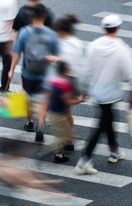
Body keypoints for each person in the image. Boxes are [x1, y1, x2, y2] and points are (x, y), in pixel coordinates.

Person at [75, 14, 132, 175]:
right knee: (103, 124)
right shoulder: (122, 49)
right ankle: (84, 159)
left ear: (104, 28)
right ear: (118, 28)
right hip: (112, 93)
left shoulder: (92, 46)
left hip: (97, 92)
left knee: (108, 119)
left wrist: (83, 90)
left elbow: (86, 71)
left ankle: (115, 150)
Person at [8, 3, 59, 142]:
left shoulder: (24, 32)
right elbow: (57, 56)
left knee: (28, 100)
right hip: (45, 74)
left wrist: (11, 70)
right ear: (45, 16)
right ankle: (41, 126)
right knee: (43, 102)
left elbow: (17, 53)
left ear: (31, 16)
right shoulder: (51, 34)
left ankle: (29, 123)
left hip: (28, 73)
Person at [52, 14, 85, 148]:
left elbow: (62, 65)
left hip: (65, 81)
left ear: (61, 31)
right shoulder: (77, 42)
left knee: (63, 111)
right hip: (74, 80)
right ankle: (69, 136)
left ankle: (69, 137)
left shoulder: (63, 45)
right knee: (66, 110)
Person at [45, 61, 86, 163]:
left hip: (53, 112)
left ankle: (59, 153)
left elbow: (48, 96)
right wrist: (80, 100)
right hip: (58, 114)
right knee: (62, 136)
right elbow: (68, 101)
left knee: (64, 133)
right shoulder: (64, 85)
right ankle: (54, 153)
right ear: (65, 71)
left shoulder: (53, 81)